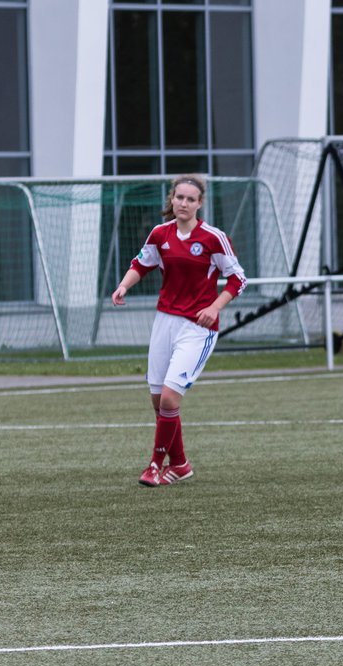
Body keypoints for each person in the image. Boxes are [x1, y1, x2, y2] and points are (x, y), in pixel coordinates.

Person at [111, 175, 247, 487]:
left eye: (190, 199)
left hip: (198, 328)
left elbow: (238, 279)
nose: (183, 203)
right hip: (165, 323)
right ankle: (181, 465)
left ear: (200, 204)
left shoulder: (213, 238)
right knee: (159, 402)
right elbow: (142, 264)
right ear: (172, 200)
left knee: (171, 400)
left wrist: (215, 306)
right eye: (179, 198)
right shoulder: (160, 233)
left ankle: (154, 466)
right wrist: (123, 285)